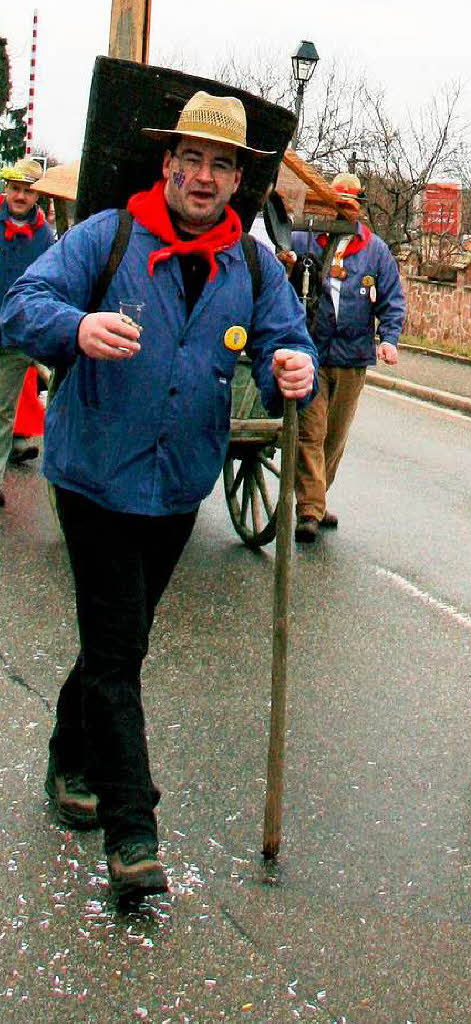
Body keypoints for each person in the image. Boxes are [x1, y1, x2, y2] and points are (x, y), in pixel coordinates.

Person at [0, 91, 318, 900]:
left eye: (222, 164)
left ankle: (69, 751)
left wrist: (296, 370)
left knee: (122, 639)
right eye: (192, 160)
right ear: (167, 164)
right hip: (95, 473)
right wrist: (75, 329)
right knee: (118, 649)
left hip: (179, 483)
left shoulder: (249, 264)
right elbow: (21, 304)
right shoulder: (106, 237)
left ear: (238, 178)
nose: (204, 177)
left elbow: (290, 341)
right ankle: (132, 828)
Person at [290, 172, 405, 542]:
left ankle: (317, 499)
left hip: (353, 356)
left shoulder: (375, 251)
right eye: (338, 203)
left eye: (351, 204)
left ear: (360, 208)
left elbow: (391, 299)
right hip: (312, 351)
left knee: (335, 437)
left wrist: (389, 339)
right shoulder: (305, 240)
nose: (344, 210)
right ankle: (308, 510)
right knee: (311, 430)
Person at [0, 158, 55, 506]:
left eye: (27, 190)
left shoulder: (45, 237)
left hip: (16, 336)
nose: (20, 196)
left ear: (36, 197)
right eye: (15, 188)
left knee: (3, 413)